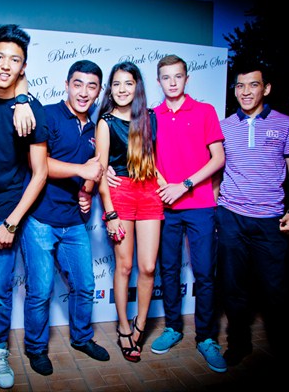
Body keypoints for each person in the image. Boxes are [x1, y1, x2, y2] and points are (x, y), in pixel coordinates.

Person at [107, 54, 226, 372]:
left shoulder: (205, 111)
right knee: (167, 270)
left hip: (199, 203)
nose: (172, 82)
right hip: (163, 205)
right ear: (158, 81)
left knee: (204, 273)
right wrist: (105, 167)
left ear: (187, 78)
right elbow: (132, 153)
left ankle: (206, 338)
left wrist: (184, 185)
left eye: (178, 76)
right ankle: (173, 327)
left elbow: (218, 159)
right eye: (166, 77)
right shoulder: (149, 116)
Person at [0, 24, 48, 389]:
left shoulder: (32, 110)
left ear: (23, 66)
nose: (5, 65)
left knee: (0, 292)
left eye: (14, 60)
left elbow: (40, 173)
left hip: (5, 215)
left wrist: (12, 222)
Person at [20, 59, 110, 376]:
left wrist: (87, 190)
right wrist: (81, 171)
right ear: (67, 85)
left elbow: (96, 168)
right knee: (40, 290)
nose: (84, 92)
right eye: (78, 84)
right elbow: (39, 164)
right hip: (40, 219)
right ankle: (35, 348)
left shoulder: (96, 129)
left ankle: (82, 338)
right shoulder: (48, 114)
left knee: (85, 285)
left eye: (91, 86)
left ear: (98, 91)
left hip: (73, 222)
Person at [216, 63, 289, 366]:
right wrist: (216, 210)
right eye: (240, 86)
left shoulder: (286, 124)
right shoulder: (225, 126)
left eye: (253, 85)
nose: (245, 92)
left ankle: (282, 345)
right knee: (233, 287)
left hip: (270, 220)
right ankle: (238, 344)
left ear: (265, 88)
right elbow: (217, 169)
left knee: (275, 289)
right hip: (231, 216)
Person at [95, 61, 165, 363]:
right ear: (110, 89)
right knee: (124, 267)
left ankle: (141, 324)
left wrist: (166, 183)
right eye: (116, 84)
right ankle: (123, 327)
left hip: (149, 193)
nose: (122, 89)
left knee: (147, 267)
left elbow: (154, 161)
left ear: (137, 87)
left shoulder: (150, 118)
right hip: (121, 193)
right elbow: (100, 171)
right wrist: (110, 214)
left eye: (128, 83)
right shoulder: (106, 122)